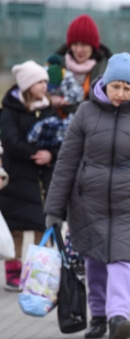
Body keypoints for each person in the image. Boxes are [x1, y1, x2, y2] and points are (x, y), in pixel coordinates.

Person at [44, 53, 130, 339]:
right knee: (95, 263)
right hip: (88, 204)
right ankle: (98, 317)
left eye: (128, 88)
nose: (121, 94)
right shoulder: (85, 113)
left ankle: (118, 317)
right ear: (105, 83)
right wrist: (54, 210)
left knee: (123, 262)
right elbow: (65, 163)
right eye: (116, 87)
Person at [0, 61, 58, 291]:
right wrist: (35, 152)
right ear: (27, 85)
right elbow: (10, 141)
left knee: (41, 227)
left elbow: (60, 139)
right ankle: (13, 272)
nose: (45, 86)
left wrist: (50, 154)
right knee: (15, 228)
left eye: (45, 81)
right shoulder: (9, 112)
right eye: (40, 82)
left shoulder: (49, 109)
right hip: (15, 178)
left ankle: (38, 273)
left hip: (42, 180)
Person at [55, 14, 113, 115]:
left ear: (93, 46)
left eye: (84, 44)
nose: (79, 50)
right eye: (75, 44)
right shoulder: (55, 66)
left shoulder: (107, 70)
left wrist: (66, 106)